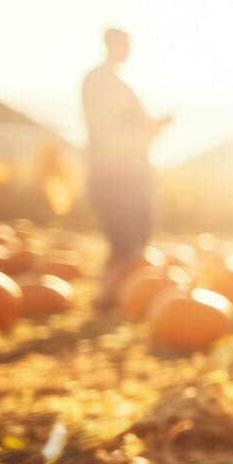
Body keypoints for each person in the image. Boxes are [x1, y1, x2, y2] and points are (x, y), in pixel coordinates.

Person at [80, 27, 172, 306]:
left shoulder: (120, 84)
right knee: (124, 237)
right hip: (114, 171)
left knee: (138, 234)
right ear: (111, 44)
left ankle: (119, 294)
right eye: (125, 44)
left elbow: (140, 125)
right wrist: (144, 132)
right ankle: (109, 296)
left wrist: (156, 125)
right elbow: (107, 130)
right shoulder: (98, 82)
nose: (129, 50)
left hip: (132, 170)